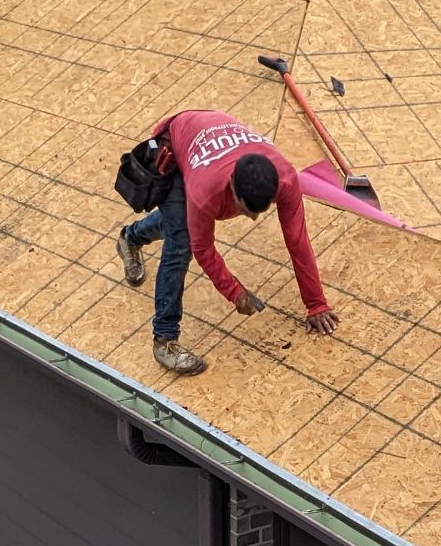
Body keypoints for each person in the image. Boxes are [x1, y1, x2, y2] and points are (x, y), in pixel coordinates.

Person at [116, 109, 340, 376]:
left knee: (181, 222)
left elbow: (297, 240)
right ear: (232, 186)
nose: (254, 219)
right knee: (181, 243)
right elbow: (203, 249)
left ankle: (130, 238)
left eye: (262, 210)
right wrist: (234, 292)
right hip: (176, 144)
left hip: (210, 132)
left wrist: (316, 303)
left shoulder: (287, 178)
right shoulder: (204, 190)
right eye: (247, 210)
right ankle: (164, 341)